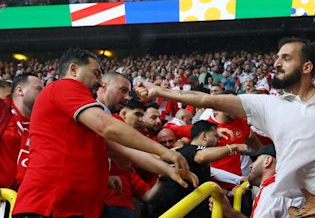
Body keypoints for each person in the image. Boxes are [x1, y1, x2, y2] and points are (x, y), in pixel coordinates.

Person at [136, 37, 315, 217]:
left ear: (307, 67)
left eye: (286, 58)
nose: (276, 63)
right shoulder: (267, 105)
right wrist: (159, 91)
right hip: (309, 204)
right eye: (277, 57)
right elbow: (205, 99)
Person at [13, 48, 189, 218]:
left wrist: (169, 169)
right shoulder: (64, 86)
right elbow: (108, 127)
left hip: (78, 206)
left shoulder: (82, 115)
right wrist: (164, 152)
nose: (99, 81)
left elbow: (126, 150)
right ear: (73, 70)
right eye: (95, 73)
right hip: (49, 205)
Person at [152, 120, 248, 218]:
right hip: (171, 211)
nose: (218, 141)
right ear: (204, 136)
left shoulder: (194, 157)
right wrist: (233, 147)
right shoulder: (189, 151)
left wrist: (234, 184)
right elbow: (200, 157)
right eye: (215, 136)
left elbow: (209, 176)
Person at [211, 145, 304, 218]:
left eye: (255, 160)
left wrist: (229, 212)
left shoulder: (271, 190)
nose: (251, 165)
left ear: (267, 161)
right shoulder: (289, 185)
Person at [0, 73, 43, 190]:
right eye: (38, 89)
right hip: (4, 196)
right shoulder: (3, 111)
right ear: (20, 90)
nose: (43, 93)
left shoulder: (44, 122)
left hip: (29, 196)